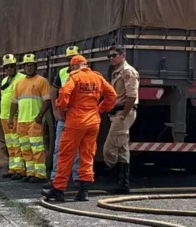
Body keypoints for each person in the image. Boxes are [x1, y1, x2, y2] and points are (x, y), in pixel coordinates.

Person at [42, 55, 116, 202]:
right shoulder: (97, 77)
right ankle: (83, 191)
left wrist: (62, 110)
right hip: (93, 121)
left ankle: (58, 189)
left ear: (75, 66)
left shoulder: (74, 77)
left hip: (75, 121)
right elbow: (112, 95)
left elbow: (64, 94)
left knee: (65, 154)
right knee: (87, 156)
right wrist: (100, 109)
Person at [9, 54, 51, 183]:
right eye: (27, 65)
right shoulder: (19, 83)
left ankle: (40, 175)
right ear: (23, 67)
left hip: (34, 121)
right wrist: (11, 118)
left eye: (31, 65)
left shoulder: (42, 81)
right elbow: (14, 102)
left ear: (35, 66)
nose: (29, 68)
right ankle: (31, 173)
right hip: (21, 121)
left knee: (37, 148)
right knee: (26, 149)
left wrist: (39, 116)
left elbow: (47, 100)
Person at [103, 45, 140, 194]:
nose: (111, 58)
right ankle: (123, 184)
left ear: (123, 55)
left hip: (123, 113)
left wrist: (124, 115)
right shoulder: (116, 72)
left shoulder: (128, 72)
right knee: (123, 148)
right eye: (109, 56)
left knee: (109, 149)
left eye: (114, 55)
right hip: (117, 113)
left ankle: (111, 171)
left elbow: (132, 96)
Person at [50, 45, 81, 185]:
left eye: (74, 57)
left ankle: (76, 177)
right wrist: (56, 111)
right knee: (59, 147)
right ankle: (55, 177)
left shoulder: (86, 74)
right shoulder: (62, 73)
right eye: (69, 58)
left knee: (78, 148)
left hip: (78, 117)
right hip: (64, 116)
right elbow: (53, 92)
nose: (72, 61)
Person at [0, 54, 26, 180]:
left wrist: (15, 115)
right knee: (10, 143)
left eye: (11, 66)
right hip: (4, 116)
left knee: (17, 143)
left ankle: (20, 170)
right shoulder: (4, 80)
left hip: (15, 116)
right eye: (6, 67)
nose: (9, 69)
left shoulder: (21, 79)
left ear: (15, 67)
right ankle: (12, 169)